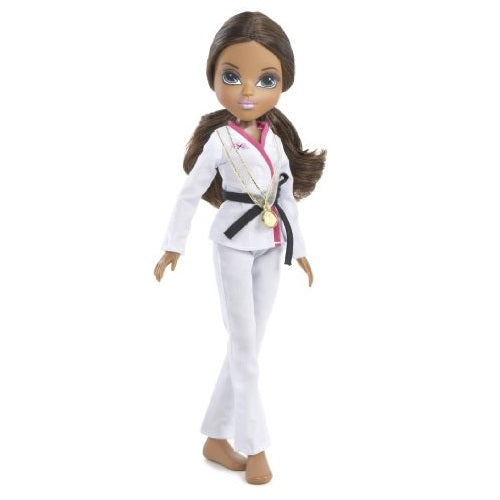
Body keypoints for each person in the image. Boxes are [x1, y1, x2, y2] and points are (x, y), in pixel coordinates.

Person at [154, 11, 325, 485]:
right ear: (213, 77)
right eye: (233, 77)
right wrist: (173, 246)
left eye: (265, 80)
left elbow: (286, 196)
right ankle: (255, 447)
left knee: (248, 345)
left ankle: (215, 437)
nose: (248, 90)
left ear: (282, 82)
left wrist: (299, 248)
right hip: (232, 242)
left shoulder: (275, 141)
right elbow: (189, 193)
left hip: (271, 244)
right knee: (245, 348)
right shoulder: (220, 141)